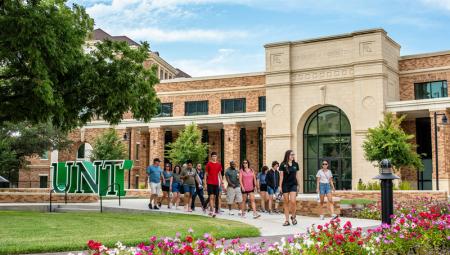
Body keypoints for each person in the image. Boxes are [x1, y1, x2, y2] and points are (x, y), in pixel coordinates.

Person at [279, 150, 301, 226]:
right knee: (286, 202)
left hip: (293, 184)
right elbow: (281, 176)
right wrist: (280, 186)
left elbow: (297, 175)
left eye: (293, 155)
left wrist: (299, 185)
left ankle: (293, 217)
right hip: (285, 185)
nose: (293, 156)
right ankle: (287, 220)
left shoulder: (296, 164)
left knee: (293, 201)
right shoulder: (283, 164)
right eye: (291, 154)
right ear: (288, 155)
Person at [204, 152, 224, 217]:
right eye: (213, 156)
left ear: (216, 157)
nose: (214, 157)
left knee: (216, 197)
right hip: (210, 183)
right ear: (211, 157)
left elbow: (220, 174)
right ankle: (212, 210)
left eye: (215, 156)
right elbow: (205, 174)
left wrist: (222, 182)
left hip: (216, 183)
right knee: (211, 197)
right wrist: (205, 184)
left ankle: (213, 209)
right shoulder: (208, 164)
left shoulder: (219, 165)